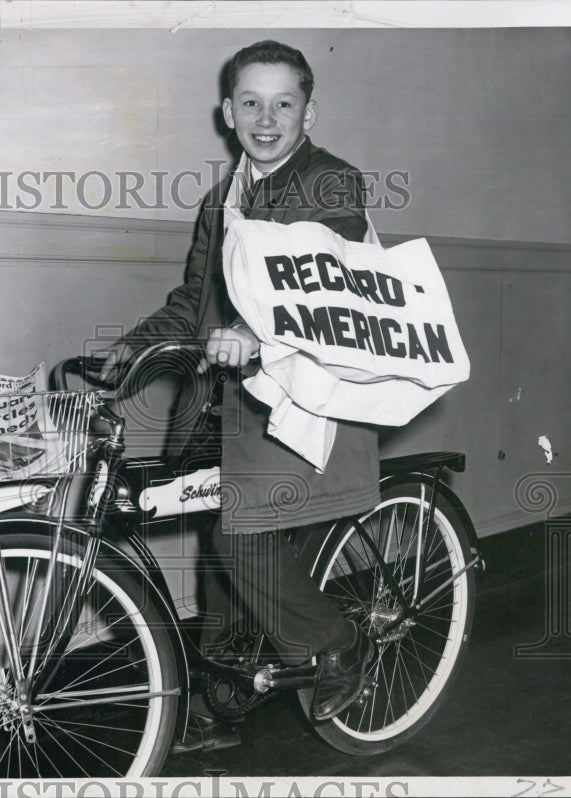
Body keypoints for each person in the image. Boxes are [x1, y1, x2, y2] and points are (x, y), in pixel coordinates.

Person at [100, 40, 377, 750]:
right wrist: (129, 347)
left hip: (297, 396)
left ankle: (336, 642)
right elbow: (196, 297)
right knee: (213, 543)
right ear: (227, 112)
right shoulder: (221, 199)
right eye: (250, 102)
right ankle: (222, 699)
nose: (265, 118)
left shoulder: (332, 185)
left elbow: (327, 285)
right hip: (221, 401)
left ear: (308, 113)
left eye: (283, 103)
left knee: (238, 535)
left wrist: (258, 337)